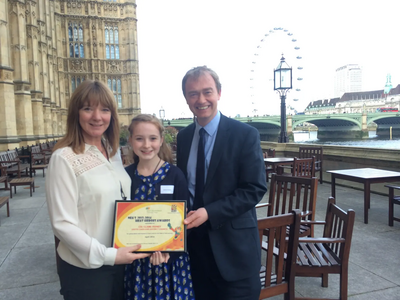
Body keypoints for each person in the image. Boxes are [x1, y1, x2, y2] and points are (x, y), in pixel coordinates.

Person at [45, 80, 149, 300]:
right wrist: (109, 255)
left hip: (120, 261)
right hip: (86, 269)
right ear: (76, 113)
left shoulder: (112, 151)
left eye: (104, 109)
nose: (97, 116)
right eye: (87, 108)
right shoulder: (64, 158)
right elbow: (62, 224)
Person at [177, 66, 268, 300]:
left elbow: (254, 189)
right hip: (194, 252)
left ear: (219, 92)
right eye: (193, 93)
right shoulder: (184, 137)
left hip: (234, 253)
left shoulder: (245, 134)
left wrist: (210, 212)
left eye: (207, 92)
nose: (201, 99)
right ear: (186, 98)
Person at [124, 114, 195, 300]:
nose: (146, 145)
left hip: (168, 263)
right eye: (139, 138)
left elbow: (184, 221)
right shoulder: (125, 176)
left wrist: (169, 253)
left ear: (161, 140)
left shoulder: (175, 175)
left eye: (153, 138)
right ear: (130, 140)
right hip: (135, 263)